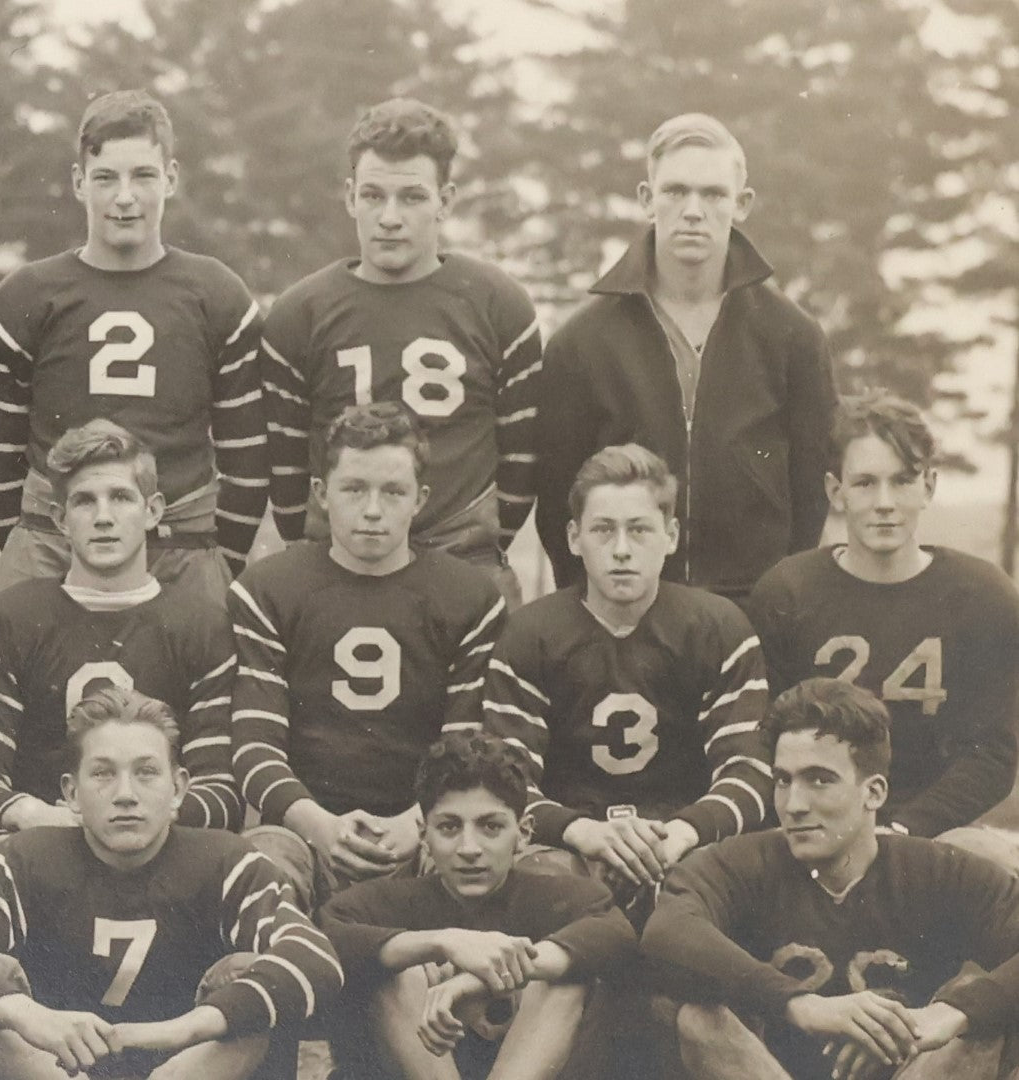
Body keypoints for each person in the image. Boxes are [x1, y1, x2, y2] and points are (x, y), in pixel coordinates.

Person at [0, 685, 343, 1080]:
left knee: (248, 974)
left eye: (146, 772)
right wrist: (28, 1015)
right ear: (71, 793)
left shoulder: (226, 860)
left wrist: (188, 1027)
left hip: (186, 1070)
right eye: (104, 773)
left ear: (179, 788)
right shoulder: (26, 859)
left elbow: (317, 958)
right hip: (54, 1070)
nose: (126, 793)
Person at [642, 677, 1019, 1080]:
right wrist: (801, 1004)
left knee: (980, 1028)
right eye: (783, 780)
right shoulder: (738, 862)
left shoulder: (942, 869)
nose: (794, 804)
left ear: (873, 793)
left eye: (819, 780)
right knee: (700, 1019)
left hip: (909, 1069)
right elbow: (666, 931)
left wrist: (951, 1013)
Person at [0, 89, 267, 605]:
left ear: (171, 178)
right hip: (54, 540)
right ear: (78, 182)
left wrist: (223, 560)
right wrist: (33, 536)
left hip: (182, 541)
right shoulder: (28, 296)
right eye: (106, 177)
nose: (125, 196)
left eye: (143, 176)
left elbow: (246, 457)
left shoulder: (216, 294)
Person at [535, 112, 835, 599]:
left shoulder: (792, 336)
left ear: (742, 205)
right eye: (675, 191)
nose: (693, 210)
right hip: (629, 608)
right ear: (646, 199)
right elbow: (556, 502)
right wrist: (589, 605)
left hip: (753, 606)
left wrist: (784, 599)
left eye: (713, 194)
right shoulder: (582, 342)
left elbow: (811, 492)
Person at [259, 97, 541, 602]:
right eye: (373, 195)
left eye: (411, 197)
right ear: (349, 197)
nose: (390, 217)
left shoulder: (500, 305)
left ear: (446, 200)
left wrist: (479, 540)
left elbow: (521, 460)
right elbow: (287, 475)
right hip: (339, 563)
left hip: (462, 557)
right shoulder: (299, 314)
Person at [229, 402, 506, 905]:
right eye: (354, 489)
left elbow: (468, 744)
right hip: (306, 828)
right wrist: (318, 825)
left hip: (424, 827)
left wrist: (417, 823)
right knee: (260, 867)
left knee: (482, 864)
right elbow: (254, 743)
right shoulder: (269, 589)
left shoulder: (468, 597)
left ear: (420, 498)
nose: (373, 510)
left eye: (393, 492)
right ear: (321, 493)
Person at [483, 444, 771, 895]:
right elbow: (505, 778)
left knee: (725, 881)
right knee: (537, 880)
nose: (621, 550)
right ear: (574, 538)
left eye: (639, 530)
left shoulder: (718, 628)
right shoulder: (530, 634)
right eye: (603, 530)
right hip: (570, 850)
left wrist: (680, 834)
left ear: (671, 535)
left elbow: (750, 769)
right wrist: (584, 834)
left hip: (682, 844)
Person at [747, 392, 1019, 856]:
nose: (885, 502)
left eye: (903, 481)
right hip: (812, 823)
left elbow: (993, 754)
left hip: (935, 831)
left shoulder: (983, 595)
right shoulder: (787, 591)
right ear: (836, 491)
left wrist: (905, 829)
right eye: (866, 483)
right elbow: (762, 737)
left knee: (997, 867)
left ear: (929, 486)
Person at [320, 731, 636, 1080]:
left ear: (524, 832)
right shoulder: (387, 900)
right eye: (449, 827)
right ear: (423, 835)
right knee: (399, 972)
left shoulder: (568, 897)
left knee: (562, 974)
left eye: (490, 826)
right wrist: (446, 942)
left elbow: (614, 935)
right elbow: (330, 934)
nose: (469, 847)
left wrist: (478, 979)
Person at [0, 419, 240, 836]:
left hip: (159, 845)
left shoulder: (201, 621)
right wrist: (44, 817)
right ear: (60, 519)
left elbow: (219, 789)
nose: (103, 517)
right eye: (84, 502)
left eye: (120, 497)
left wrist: (133, 822)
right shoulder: (13, 616)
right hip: (42, 841)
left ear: (152, 511)